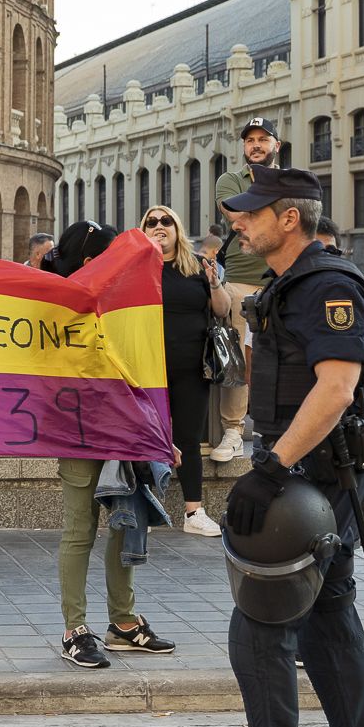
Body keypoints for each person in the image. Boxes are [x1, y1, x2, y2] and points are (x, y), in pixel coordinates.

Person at [188, 165, 364, 727]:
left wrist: (270, 468)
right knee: (328, 621)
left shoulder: (330, 284)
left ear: (290, 218)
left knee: (260, 623)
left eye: (251, 213)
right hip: (312, 477)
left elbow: (335, 388)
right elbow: (242, 308)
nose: (240, 223)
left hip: (309, 478)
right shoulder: (294, 282)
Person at [45, 220, 177, 667]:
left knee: (126, 520)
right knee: (79, 529)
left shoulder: (121, 298)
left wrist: (159, 432)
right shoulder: (51, 300)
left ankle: (122, 622)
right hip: (78, 428)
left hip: (122, 427)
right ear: (89, 263)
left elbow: (142, 362)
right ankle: (74, 628)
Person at [142, 205, 231, 536]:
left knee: (189, 439)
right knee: (149, 434)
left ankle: (194, 512)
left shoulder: (196, 266)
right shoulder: (137, 267)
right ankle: (145, 505)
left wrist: (214, 283)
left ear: (178, 229)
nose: (159, 226)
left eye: (166, 221)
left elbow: (221, 310)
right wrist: (145, 256)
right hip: (148, 368)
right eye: (152, 223)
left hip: (192, 367)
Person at [211, 118, 283, 462]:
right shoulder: (229, 179)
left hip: (282, 277)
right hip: (240, 279)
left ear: (276, 146)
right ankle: (234, 429)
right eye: (250, 140)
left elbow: (298, 220)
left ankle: (285, 425)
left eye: (263, 139)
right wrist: (274, 211)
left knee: (286, 354)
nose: (256, 145)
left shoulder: (290, 179)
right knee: (238, 353)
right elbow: (235, 214)